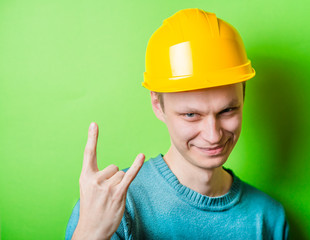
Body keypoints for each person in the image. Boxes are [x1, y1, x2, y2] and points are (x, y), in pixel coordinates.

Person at [65, 8, 289, 240]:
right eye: (191, 114)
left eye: (227, 110)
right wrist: (90, 232)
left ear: (243, 97)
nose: (213, 135)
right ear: (157, 104)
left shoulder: (268, 218)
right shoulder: (113, 205)